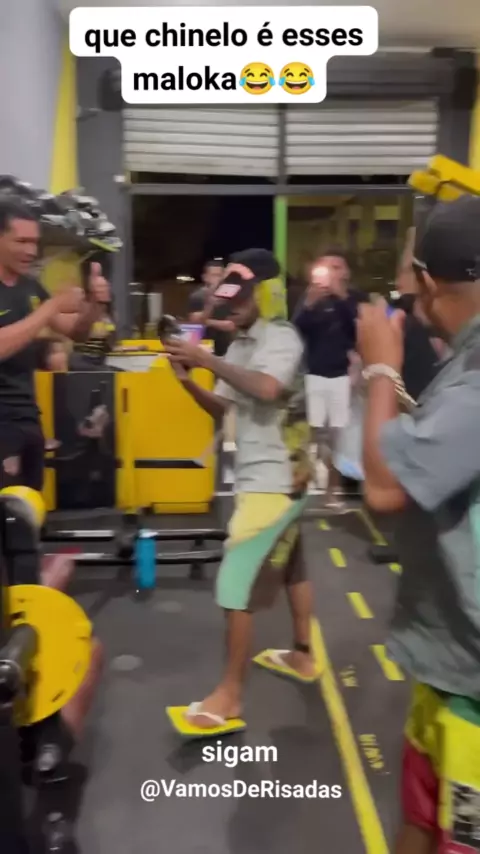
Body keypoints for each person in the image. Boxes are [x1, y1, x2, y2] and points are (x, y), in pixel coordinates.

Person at [358, 194, 480, 854]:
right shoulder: (465, 359)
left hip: (474, 693)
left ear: (429, 281)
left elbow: (384, 486)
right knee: (417, 817)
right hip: (449, 668)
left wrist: (381, 365)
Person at [164, 248, 317, 733]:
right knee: (293, 562)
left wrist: (205, 357)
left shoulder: (281, 336)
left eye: (243, 297)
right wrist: (188, 380)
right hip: (271, 476)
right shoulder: (242, 343)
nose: (235, 306)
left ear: (267, 293)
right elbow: (226, 408)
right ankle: (304, 653)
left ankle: (229, 695)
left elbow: (267, 389)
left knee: (235, 583)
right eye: (230, 297)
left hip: (277, 477)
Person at [0, 197, 110, 492]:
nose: (30, 251)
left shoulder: (29, 286)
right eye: (21, 241)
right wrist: (52, 307)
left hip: (27, 418)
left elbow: (76, 332)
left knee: (29, 508)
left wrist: (95, 305)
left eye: (34, 242)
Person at [293, 253, 358, 508]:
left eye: (336, 267)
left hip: (342, 376)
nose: (330, 272)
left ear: (346, 272)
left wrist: (341, 297)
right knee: (311, 433)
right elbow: (296, 330)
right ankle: (302, 483)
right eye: (326, 267)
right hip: (313, 374)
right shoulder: (311, 298)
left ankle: (333, 489)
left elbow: (357, 329)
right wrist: (309, 304)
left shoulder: (353, 299)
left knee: (337, 436)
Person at [187, 259, 235, 356]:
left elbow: (232, 325)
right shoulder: (197, 296)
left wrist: (206, 321)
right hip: (203, 345)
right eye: (214, 275)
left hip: (226, 346)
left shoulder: (231, 296)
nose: (218, 279)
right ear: (205, 277)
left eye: (220, 275)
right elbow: (194, 321)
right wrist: (210, 305)